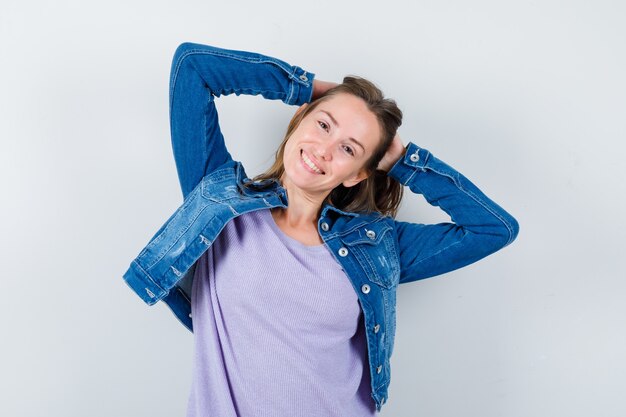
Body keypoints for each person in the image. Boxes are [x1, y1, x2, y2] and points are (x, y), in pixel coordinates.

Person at [122, 42, 519, 416]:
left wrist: (403, 161)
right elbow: (193, 66)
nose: (324, 150)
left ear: (358, 174)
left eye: (349, 149)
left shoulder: (376, 247)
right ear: (300, 119)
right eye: (324, 125)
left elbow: (492, 228)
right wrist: (307, 87)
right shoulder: (220, 204)